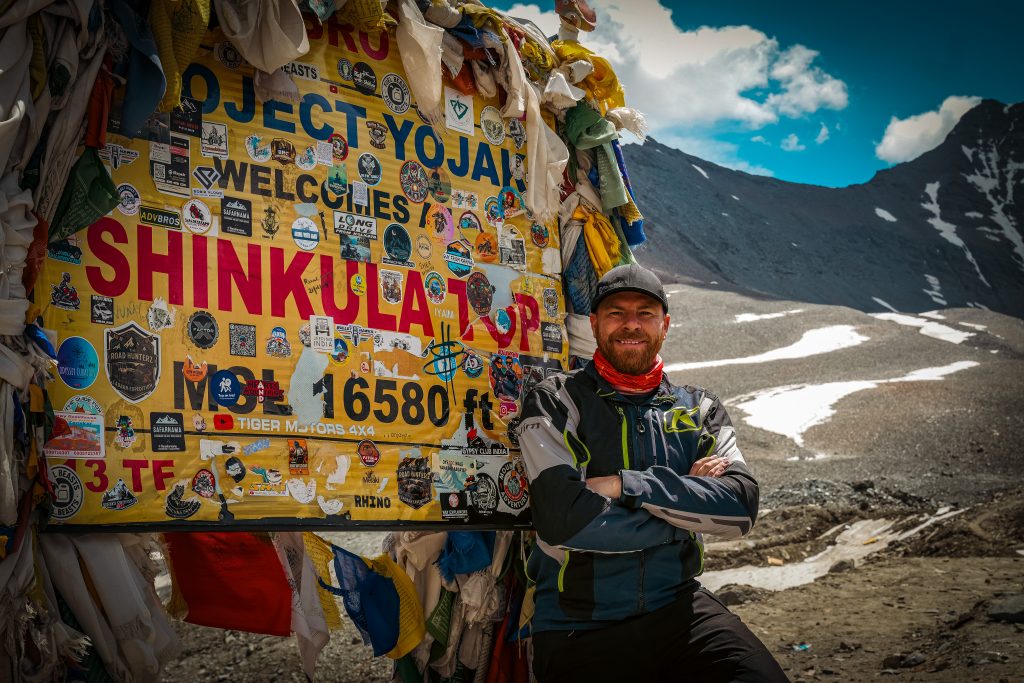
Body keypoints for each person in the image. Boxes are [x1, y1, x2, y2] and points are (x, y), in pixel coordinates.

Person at [517, 264, 788, 682]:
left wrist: (627, 485)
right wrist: (685, 512)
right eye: (615, 313)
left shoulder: (700, 410)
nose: (631, 325)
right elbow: (562, 520)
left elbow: (740, 507)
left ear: (665, 325)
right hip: (580, 626)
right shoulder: (556, 402)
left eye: (645, 313)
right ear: (593, 324)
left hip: (680, 609)